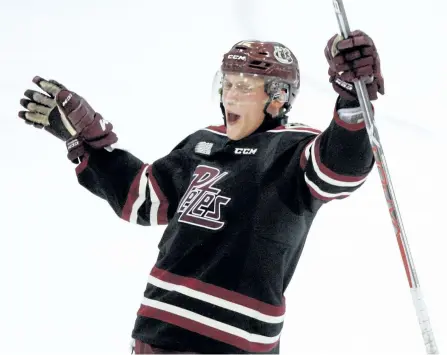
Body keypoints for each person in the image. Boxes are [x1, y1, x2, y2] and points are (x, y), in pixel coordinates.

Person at [18, 30, 384, 354]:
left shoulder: (293, 148)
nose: (229, 97)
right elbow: (140, 198)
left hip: (233, 344)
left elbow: (340, 171)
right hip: (156, 335)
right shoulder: (202, 144)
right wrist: (88, 143)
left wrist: (354, 101)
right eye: (226, 84)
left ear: (277, 98)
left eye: (244, 87)